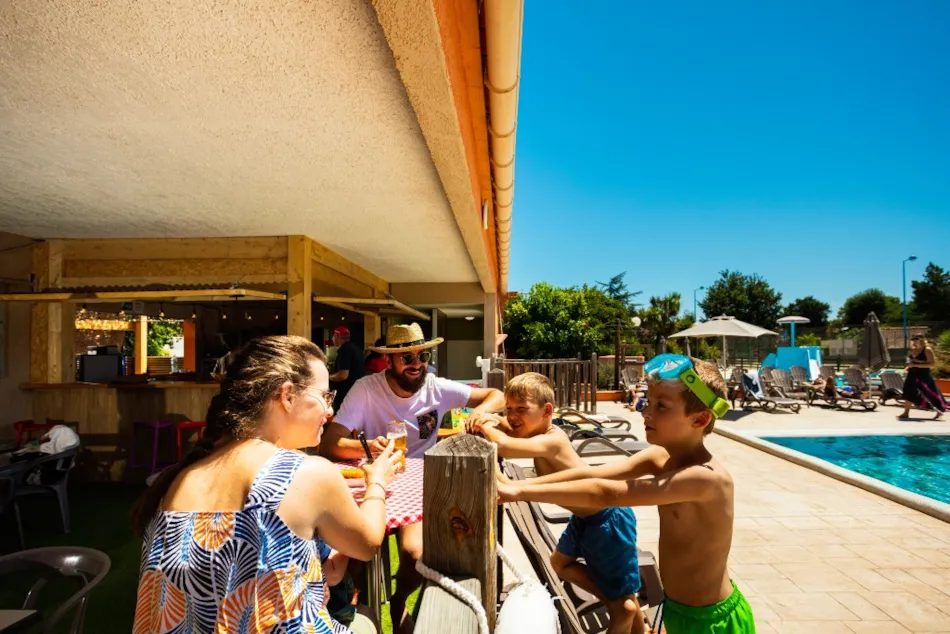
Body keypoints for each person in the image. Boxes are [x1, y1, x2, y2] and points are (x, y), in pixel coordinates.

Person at [131, 335, 403, 634]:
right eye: (325, 396)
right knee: (365, 620)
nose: (329, 411)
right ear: (287, 396)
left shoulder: (178, 477)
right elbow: (367, 544)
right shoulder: (308, 473)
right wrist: (377, 481)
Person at [497, 355, 755, 634]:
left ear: (700, 418)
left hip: (711, 621)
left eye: (661, 406)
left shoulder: (704, 478)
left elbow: (606, 493)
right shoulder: (660, 457)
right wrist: (516, 487)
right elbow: (592, 474)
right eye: (648, 401)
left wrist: (517, 491)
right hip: (677, 610)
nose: (645, 412)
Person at [320, 322, 506, 634]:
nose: (417, 363)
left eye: (422, 355)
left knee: (415, 553)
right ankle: (359, 615)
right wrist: (366, 446)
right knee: (353, 551)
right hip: (375, 480)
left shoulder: (435, 387)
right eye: (407, 358)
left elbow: (496, 395)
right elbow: (330, 442)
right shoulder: (367, 389)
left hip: (419, 484)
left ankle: (399, 600)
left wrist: (478, 414)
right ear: (389, 361)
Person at [468, 372, 645, 634]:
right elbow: (510, 432)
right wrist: (495, 419)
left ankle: (621, 607)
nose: (513, 416)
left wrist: (481, 425)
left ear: (546, 410)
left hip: (608, 521)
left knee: (624, 606)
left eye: (521, 409)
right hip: (584, 518)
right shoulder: (537, 431)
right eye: (509, 409)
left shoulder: (553, 439)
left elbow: (504, 446)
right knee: (561, 564)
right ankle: (617, 601)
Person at [900, 335, 947, 420]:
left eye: (916, 339)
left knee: (930, 392)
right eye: (913, 339)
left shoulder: (927, 350)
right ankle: (906, 412)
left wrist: (915, 365)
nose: (914, 341)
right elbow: (910, 362)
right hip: (912, 374)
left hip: (923, 374)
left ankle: (938, 410)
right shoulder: (913, 350)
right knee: (909, 391)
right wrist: (906, 368)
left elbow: (931, 364)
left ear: (922, 340)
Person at [329, 326, 365, 411]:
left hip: (345, 394)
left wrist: (328, 377)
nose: (332, 338)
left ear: (337, 335)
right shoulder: (356, 348)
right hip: (356, 392)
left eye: (333, 335)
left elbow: (343, 375)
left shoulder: (345, 350)